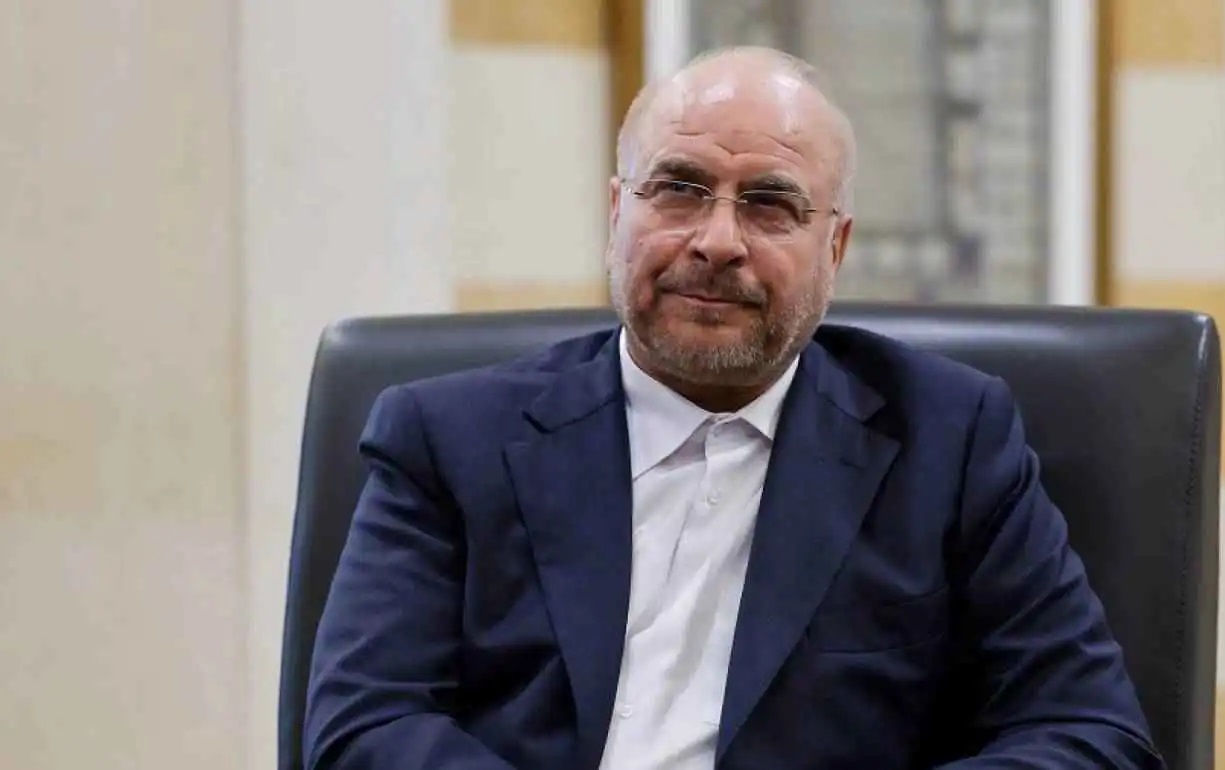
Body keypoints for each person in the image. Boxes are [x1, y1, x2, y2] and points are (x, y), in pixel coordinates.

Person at [303, 46, 1163, 770]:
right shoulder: (446, 440)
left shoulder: (951, 440)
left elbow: (1090, 734)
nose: (717, 241)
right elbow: (364, 728)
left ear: (834, 247)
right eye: (678, 188)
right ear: (617, 213)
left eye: (771, 204)